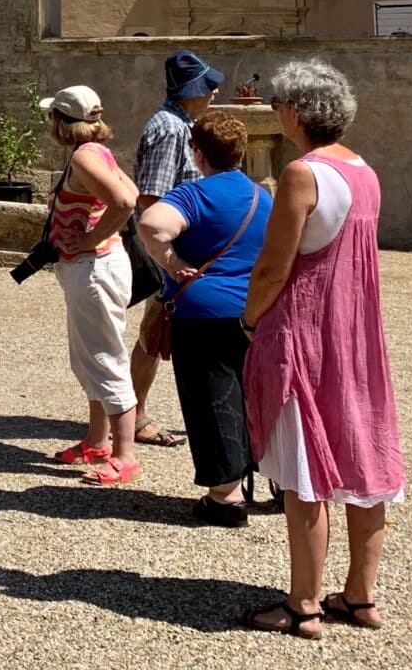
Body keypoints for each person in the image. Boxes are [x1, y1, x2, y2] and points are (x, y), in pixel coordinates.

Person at [237, 60, 405, 638]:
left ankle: (303, 604)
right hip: (354, 335)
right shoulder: (365, 170)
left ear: (297, 112)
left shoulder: (301, 174)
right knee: (364, 455)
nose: (277, 112)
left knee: (304, 471)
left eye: (281, 104)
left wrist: (250, 317)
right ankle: (360, 596)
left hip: (305, 332)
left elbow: (274, 267)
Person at [137, 111, 269, 526]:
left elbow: (152, 224)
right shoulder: (262, 197)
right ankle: (278, 482)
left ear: (197, 152)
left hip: (203, 310)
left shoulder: (193, 194)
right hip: (254, 310)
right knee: (257, 398)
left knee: (212, 400)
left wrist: (175, 264)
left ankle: (225, 497)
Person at [42, 85, 143, 486]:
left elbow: (124, 202)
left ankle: (124, 455)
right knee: (90, 357)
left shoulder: (84, 157)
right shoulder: (96, 153)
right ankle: (98, 440)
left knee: (104, 358)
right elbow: (131, 191)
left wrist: (89, 237)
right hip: (96, 266)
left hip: (94, 267)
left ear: (61, 122)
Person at [129, 50, 224, 449]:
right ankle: (135, 417)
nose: (215, 92)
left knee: (160, 333)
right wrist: (168, 258)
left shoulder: (180, 124)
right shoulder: (170, 129)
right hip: (171, 254)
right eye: (208, 87)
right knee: (155, 334)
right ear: (192, 91)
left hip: (178, 251)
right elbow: (152, 197)